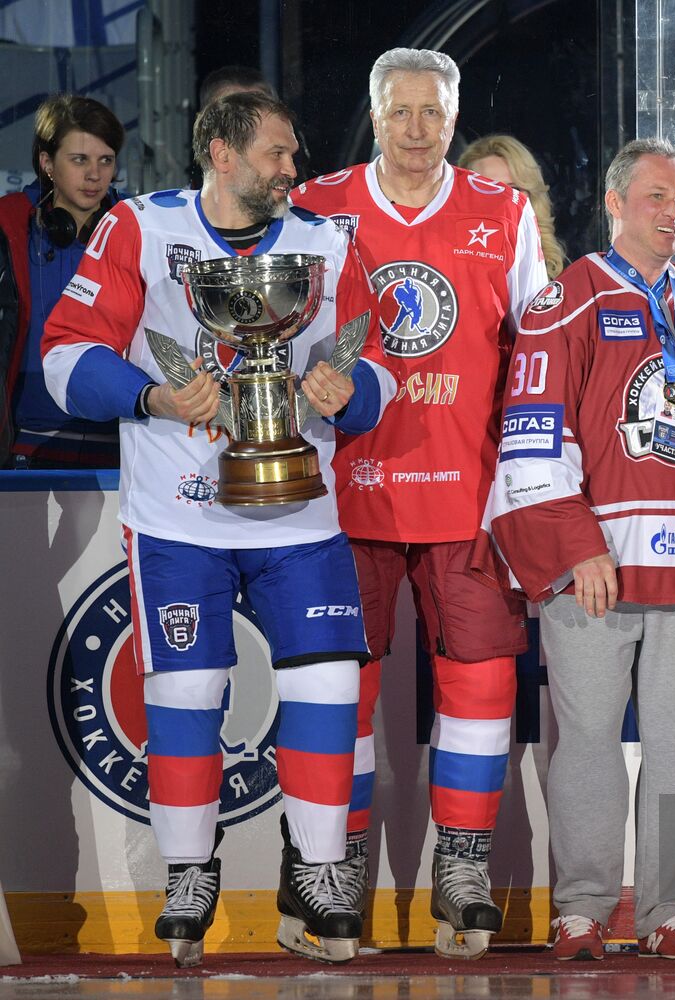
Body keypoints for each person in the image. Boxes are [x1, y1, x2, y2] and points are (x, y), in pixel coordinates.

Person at [41, 91, 397, 967]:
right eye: (277, 153)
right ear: (223, 155)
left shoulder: (328, 240)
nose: (293, 168)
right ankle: (189, 874)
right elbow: (63, 355)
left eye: (294, 153)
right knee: (188, 697)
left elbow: (379, 365)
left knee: (326, 693)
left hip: (299, 510)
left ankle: (319, 871)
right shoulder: (138, 228)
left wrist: (350, 393)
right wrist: (151, 394)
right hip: (180, 518)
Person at [292, 48, 547, 960]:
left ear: (453, 115)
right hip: (337, 499)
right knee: (337, 692)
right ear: (373, 114)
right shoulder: (317, 205)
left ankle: (463, 870)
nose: (413, 130)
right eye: (397, 112)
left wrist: (529, 484)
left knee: (478, 688)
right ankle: (335, 871)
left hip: (467, 499)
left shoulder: (501, 211)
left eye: (430, 113)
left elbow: (536, 358)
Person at [478, 138, 675, 961]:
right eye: (656, 199)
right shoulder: (569, 298)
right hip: (594, 567)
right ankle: (583, 908)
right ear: (616, 204)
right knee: (587, 738)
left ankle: (667, 911)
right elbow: (531, 432)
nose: (673, 216)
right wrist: (575, 544)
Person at [0, 94, 125, 467]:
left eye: (106, 160)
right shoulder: (9, 226)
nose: (94, 175)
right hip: (26, 446)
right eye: (79, 160)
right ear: (47, 163)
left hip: (122, 446)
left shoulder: (138, 229)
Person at [459, 133, 567, 280]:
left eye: (513, 190)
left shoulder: (564, 274)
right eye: (485, 191)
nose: (501, 203)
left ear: (531, 197)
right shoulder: (443, 263)